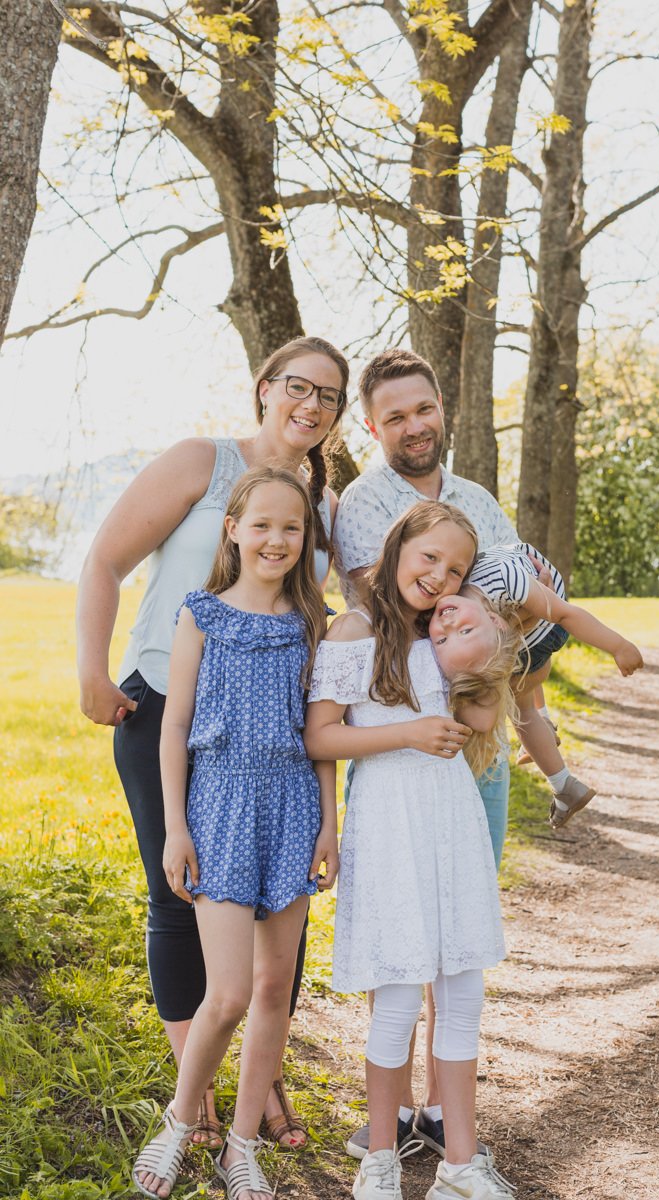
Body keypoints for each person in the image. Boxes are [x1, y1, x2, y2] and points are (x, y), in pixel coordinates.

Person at [77, 335, 348, 1148]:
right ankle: (190, 1085)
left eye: (329, 396)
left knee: (273, 901)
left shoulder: (318, 511)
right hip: (164, 706)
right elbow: (104, 561)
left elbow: (335, 614)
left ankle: (261, 1086)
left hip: (268, 747)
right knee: (180, 891)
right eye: (298, 386)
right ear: (265, 387)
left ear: (338, 416)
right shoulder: (201, 462)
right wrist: (93, 668)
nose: (310, 405)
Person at [332, 347, 521, 1158]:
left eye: (425, 408)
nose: (414, 425)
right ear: (373, 426)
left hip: (468, 738)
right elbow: (385, 617)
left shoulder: (477, 498)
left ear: (444, 406)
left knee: (460, 937)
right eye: (395, 415)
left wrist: (495, 675)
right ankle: (391, 1122)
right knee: (404, 946)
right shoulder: (364, 506)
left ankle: (448, 1122)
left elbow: (511, 605)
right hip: (397, 738)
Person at [132, 466, 338, 1200]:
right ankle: (181, 1121)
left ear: (306, 537)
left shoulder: (313, 625)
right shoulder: (202, 614)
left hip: (290, 808)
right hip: (218, 807)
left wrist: (328, 826)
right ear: (233, 530)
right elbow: (175, 730)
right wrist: (175, 830)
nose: (277, 539)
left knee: (275, 989)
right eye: (263, 525)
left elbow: (320, 737)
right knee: (226, 995)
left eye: (292, 527)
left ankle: (242, 1144)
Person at [304, 502, 515, 1200]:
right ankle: (381, 1161)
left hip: (448, 820)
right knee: (397, 1000)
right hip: (390, 821)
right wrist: (409, 734)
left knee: (461, 993)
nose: (440, 575)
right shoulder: (355, 630)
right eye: (429, 557)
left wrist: (491, 644)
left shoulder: (440, 635)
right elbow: (321, 737)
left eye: (455, 568)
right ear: (398, 547)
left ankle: (459, 1164)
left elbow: (480, 715)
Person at [429, 540, 645, 828]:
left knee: (522, 711)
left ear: (496, 620)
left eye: (464, 631)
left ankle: (561, 778)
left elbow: (565, 613)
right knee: (518, 702)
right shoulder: (458, 603)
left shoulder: (501, 578)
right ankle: (558, 767)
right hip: (519, 628)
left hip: (546, 629)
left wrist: (618, 645)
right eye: (442, 640)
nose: (448, 624)